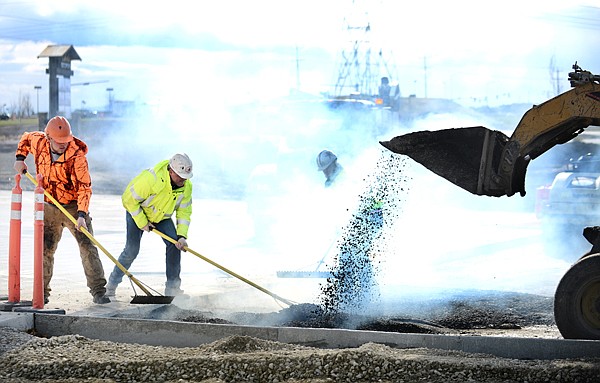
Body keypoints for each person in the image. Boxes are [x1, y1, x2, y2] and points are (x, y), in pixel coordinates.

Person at [13, 116, 111, 304]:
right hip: (49, 206)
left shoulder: (77, 156)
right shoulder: (39, 141)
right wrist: (20, 158)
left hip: (74, 208)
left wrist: (82, 214)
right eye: (58, 142)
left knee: (87, 247)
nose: (63, 145)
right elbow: (25, 139)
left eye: (66, 141)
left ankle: (98, 291)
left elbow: (84, 187)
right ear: (48, 138)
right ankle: (42, 293)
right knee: (45, 250)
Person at [106, 153, 193, 297]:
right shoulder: (150, 179)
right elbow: (128, 199)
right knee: (131, 250)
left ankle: (173, 289)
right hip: (138, 213)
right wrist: (142, 222)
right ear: (171, 170)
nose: (183, 180)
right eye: (180, 176)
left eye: (186, 177)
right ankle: (111, 285)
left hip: (162, 217)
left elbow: (184, 212)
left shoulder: (186, 186)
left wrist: (182, 236)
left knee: (175, 244)